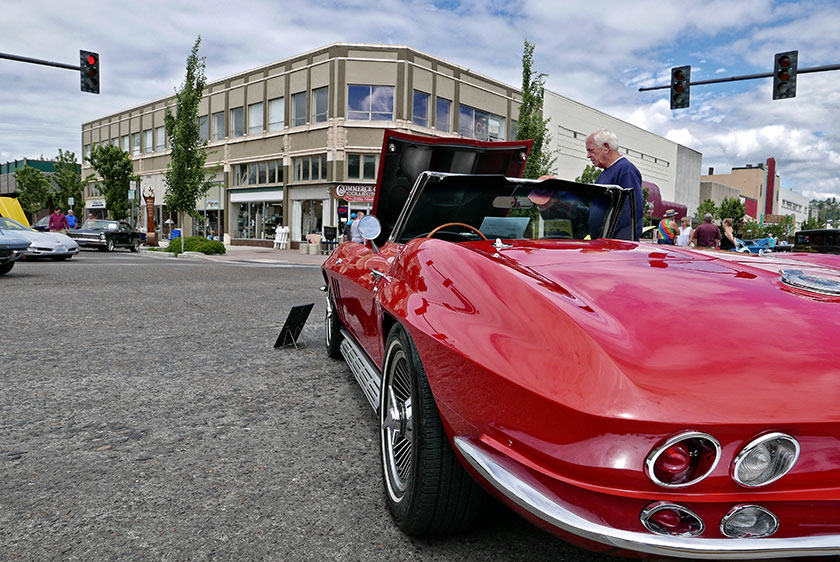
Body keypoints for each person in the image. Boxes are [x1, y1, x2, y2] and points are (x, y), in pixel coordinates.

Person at [585, 129, 643, 240]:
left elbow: (630, 214)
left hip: (616, 246)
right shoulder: (602, 175)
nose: (588, 156)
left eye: (591, 150)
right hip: (601, 244)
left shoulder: (626, 170)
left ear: (606, 147)